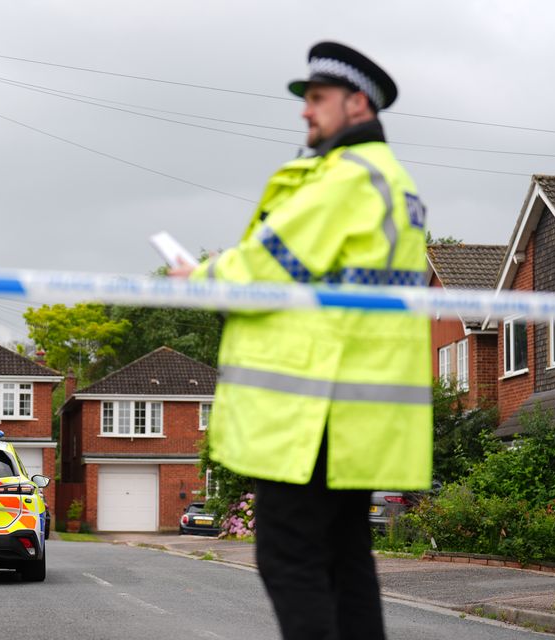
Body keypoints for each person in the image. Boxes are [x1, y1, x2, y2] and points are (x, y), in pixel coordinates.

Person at [170, 42, 432, 639]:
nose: (305, 112)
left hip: (312, 410)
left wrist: (198, 278)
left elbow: (266, 264)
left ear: (356, 103)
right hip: (357, 410)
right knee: (345, 562)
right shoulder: (394, 181)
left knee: (289, 558)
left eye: (316, 99)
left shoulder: (344, 179)